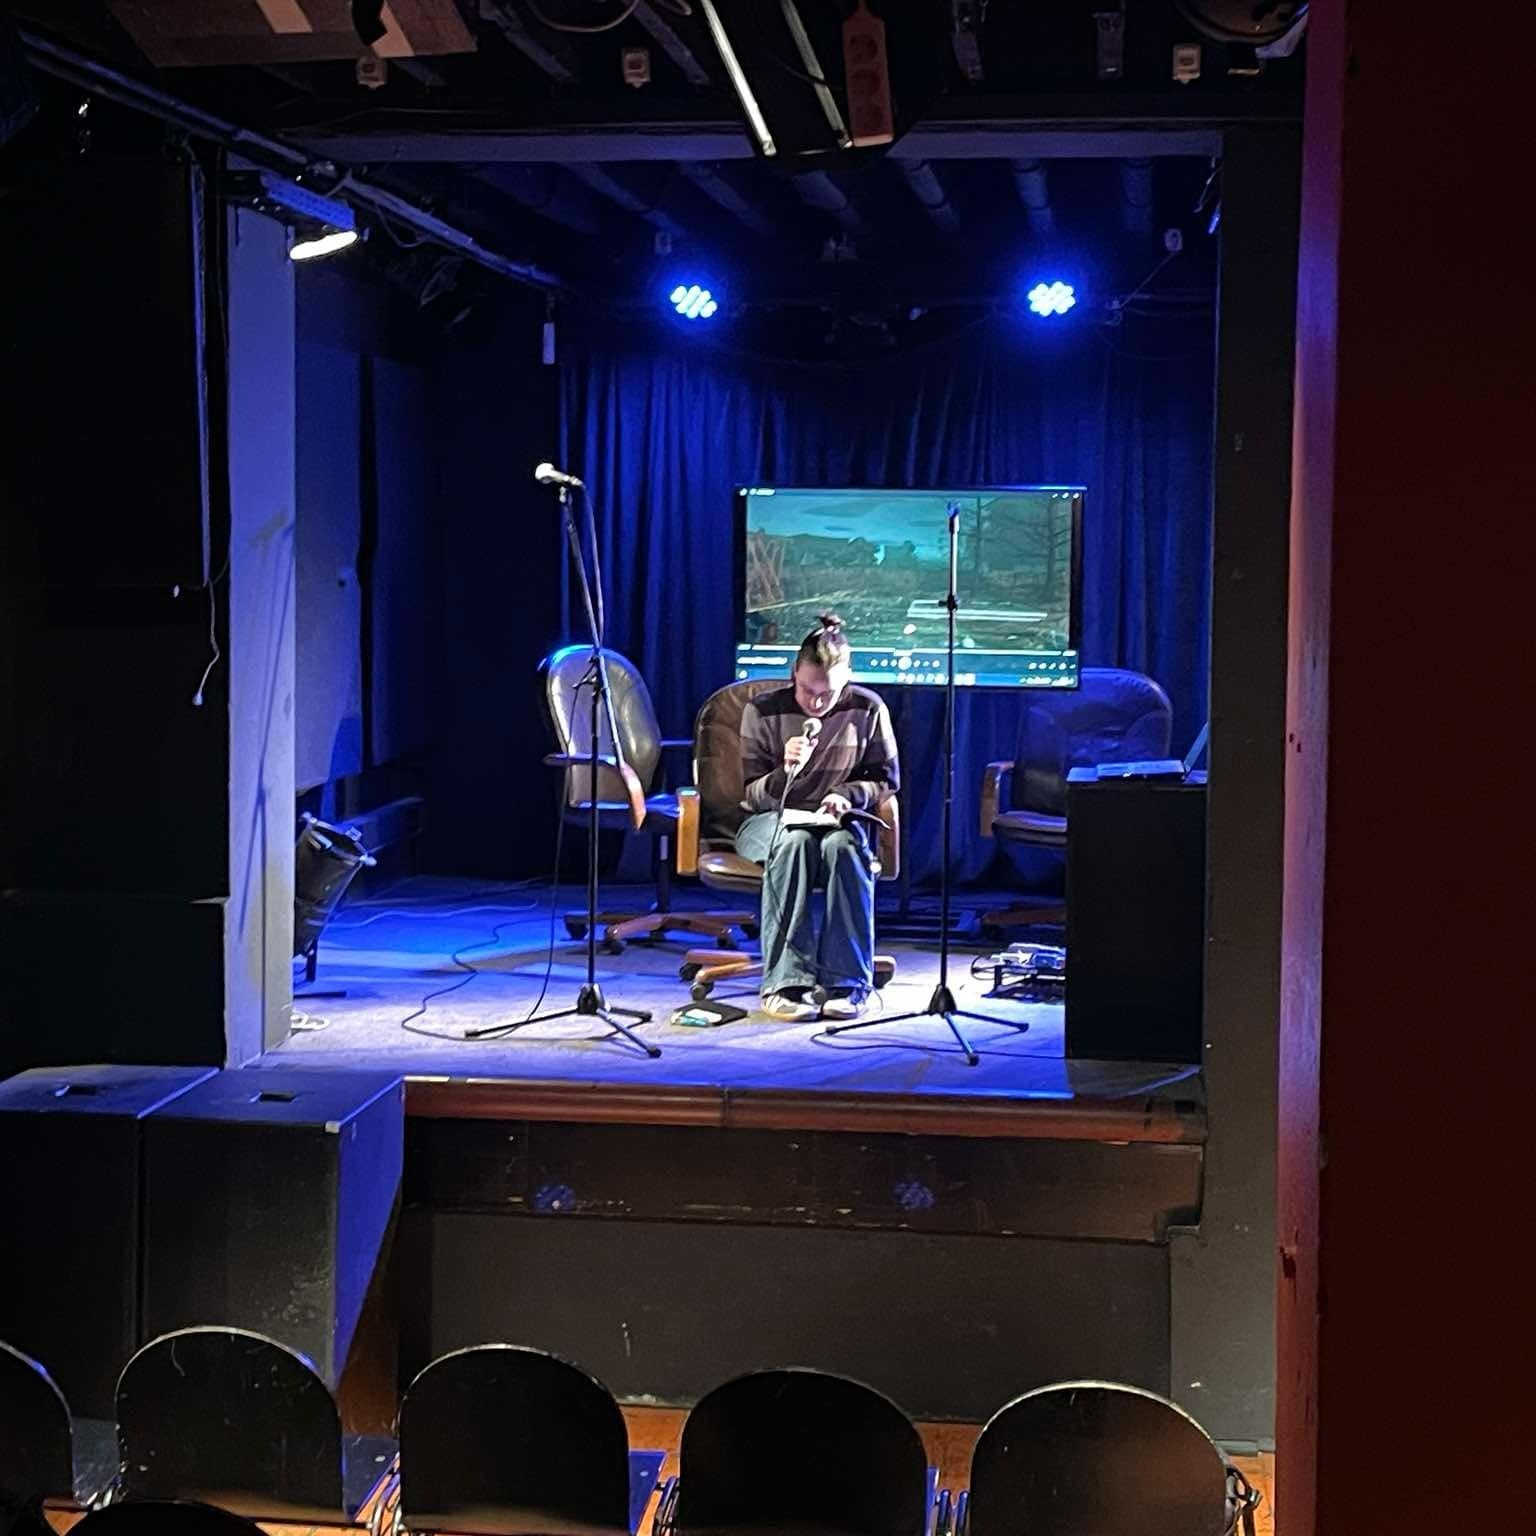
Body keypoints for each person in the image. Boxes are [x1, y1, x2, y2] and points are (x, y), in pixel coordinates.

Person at [736, 613, 900, 1021]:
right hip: (770, 820)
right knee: (793, 843)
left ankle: (847, 983)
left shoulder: (867, 708)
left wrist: (847, 794)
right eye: (808, 691)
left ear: (847, 679)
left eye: (828, 693)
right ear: (794, 673)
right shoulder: (762, 711)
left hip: (835, 820)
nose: (816, 703)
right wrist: (784, 772)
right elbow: (751, 794)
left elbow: (887, 779)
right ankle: (785, 983)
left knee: (845, 847)